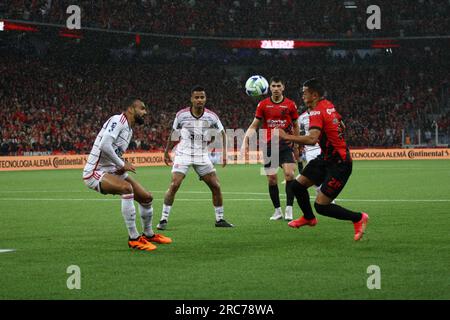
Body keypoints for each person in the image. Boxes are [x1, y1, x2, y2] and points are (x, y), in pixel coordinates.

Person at [277, 79, 369, 241]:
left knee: (321, 206)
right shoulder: (328, 105)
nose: (302, 94)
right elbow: (342, 125)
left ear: (314, 95)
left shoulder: (317, 112)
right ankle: (308, 218)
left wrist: (287, 137)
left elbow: (312, 139)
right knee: (297, 186)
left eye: (305, 92)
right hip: (326, 158)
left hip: (339, 164)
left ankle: (358, 218)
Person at [83, 98, 172, 251]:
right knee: (126, 189)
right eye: (142, 109)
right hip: (94, 172)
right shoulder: (118, 120)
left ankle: (149, 234)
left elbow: (113, 152)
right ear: (131, 109)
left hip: (112, 171)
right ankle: (134, 238)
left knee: (146, 198)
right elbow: (104, 145)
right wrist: (122, 164)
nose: (145, 113)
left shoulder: (129, 130)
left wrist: (120, 166)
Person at [157, 86, 233, 230]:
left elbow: (223, 133)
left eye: (202, 97)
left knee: (216, 186)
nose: (199, 100)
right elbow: (173, 132)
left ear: (205, 99)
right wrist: (166, 151)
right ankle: (163, 219)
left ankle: (220, 219)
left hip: (202, 155)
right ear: (191, 99)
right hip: (183, 154)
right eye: (196, 97)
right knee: (174, 184)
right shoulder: (181, 115)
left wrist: (225, 153)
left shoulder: (212, 116)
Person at [242, 76, 299, 221]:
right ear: (270, 88)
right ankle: (277, 211)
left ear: (283, 87)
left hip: (286, 145)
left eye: (278, 86)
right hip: (269, 146)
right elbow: (254, 125)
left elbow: (296, 125)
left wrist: (297, 144)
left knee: (289, 175)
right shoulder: (263, 105)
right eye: (273, 86)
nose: (276, 89)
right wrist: (245, 141)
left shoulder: (290, 105)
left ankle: (289, 209)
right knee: (272, 179)